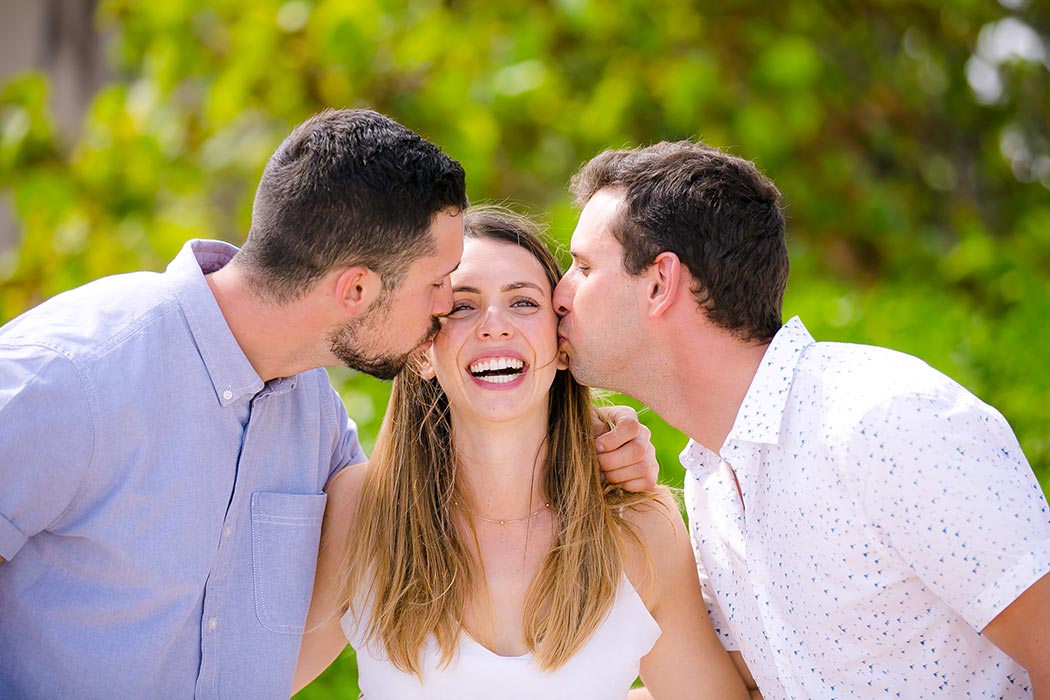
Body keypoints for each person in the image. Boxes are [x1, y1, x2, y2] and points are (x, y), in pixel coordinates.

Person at [0, 109, 657, 700]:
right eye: (439, 288)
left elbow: (434, 484)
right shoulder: (72, 375)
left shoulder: (310, 413)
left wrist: (582, 431)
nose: (441, 316)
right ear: (357, 290)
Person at [552, 140, 1050, 699]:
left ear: (660, 283)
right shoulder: (712, 475)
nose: (560, 294)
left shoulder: (883, 422)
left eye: (584, 266)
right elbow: (744, 687)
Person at [292, 206, 756, 700]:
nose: (495, 326)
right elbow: (253, 679)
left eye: (524, 303)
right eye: (462, 306)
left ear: (561, 346)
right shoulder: (365, 507)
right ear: (423, 351)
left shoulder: (641, 528)